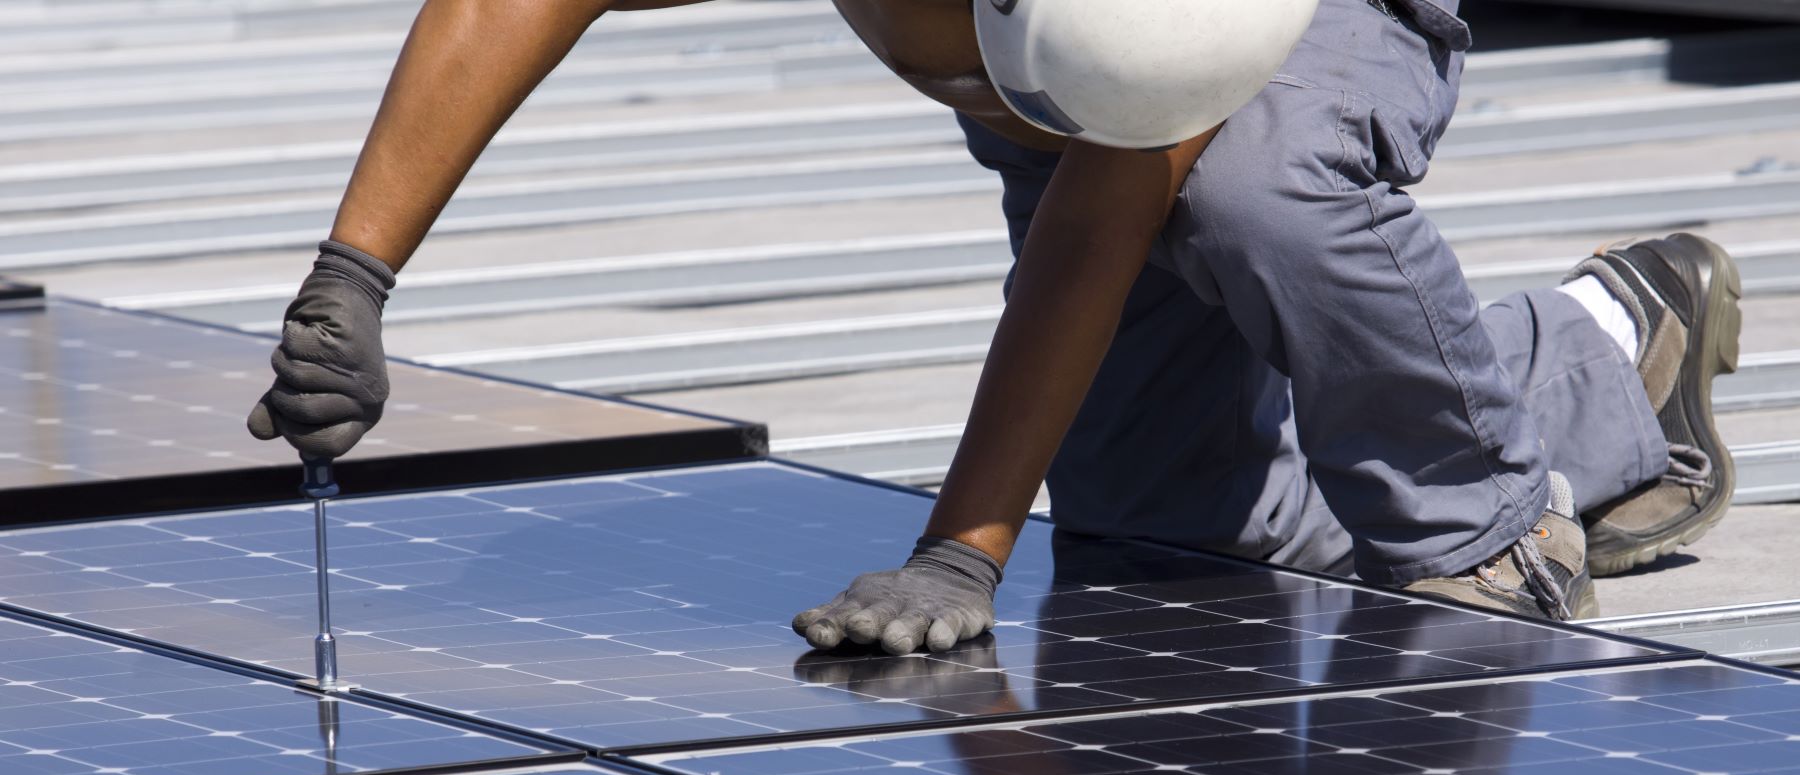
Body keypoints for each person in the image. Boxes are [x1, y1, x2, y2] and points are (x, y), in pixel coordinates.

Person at [247, 0, 1740, 659]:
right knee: (1166, 521)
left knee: (1254, 189)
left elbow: (1114, 209)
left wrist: (964, 543)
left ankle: (1479, 521)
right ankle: (1605, 340)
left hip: (1290, 37)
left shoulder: (1161, 27)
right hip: (1073, 93)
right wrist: (354, 281)